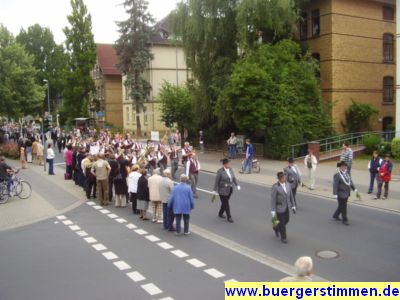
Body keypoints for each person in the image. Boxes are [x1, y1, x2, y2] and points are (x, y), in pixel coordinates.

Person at [270, 172, 296, 244]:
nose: (284, 178)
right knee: (282, 223)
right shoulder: (275, 187)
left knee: (286, 220)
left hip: (287, 207)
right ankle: (283, 237)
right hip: (279, 208)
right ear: (279, 179)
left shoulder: (288, 185)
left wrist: (293, 206)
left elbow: (291, 196)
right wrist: (273, 213)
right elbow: (273, 200)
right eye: (283, 177)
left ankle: (276, 227)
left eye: (284, 177)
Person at [213, 159, 240, 223]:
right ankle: (229, 217)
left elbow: (233, 178)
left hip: (230, 189)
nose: (229, 165)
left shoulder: (230, 169)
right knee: (226, 204)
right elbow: (216, 181)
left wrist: (237, 185)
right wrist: (214, 190)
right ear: (224, 164)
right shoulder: (220, 171)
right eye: (228, 164)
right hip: (222, 190)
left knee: (224, 203)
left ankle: (220, 213)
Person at [333, 161, 357, 225]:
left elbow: (350, 182)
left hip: (346, 193)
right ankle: (345, 220)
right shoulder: (337, 175)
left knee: (341, 206)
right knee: (344, 207)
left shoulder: (347, 173)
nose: (344, 167)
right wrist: (335, 194)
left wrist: (354, 189)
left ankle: (335, 215)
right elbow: (335, 185)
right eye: (343, 166)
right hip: (340, 193)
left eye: (345, 166)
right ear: (340, 167)